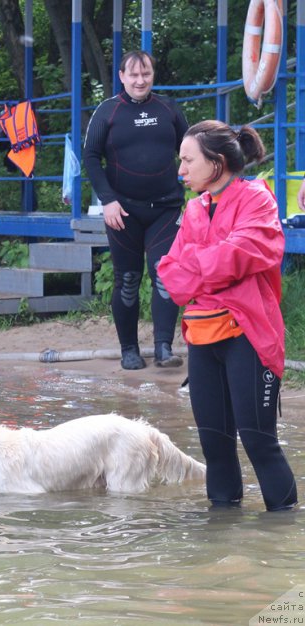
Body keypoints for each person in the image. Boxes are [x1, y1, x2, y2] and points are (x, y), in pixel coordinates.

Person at [157, 121, 297, 512]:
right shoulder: (194, 208)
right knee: (214, 447)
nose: (181, 170)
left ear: (216, 162)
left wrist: (198, 265)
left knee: (260, 443)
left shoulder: (257, 199)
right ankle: (219, 537)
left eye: (188, 161)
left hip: (248, 335)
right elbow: (169, 274)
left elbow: (246, 252)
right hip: (203, 337)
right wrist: (213, 265)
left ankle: (282, 534)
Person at [83, 50, 188, 370]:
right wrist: (107, 200)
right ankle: (129, 349)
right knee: (128, 278)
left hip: (165, 209)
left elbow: (191, 150)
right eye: (134, 75)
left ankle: (164, 348)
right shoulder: (108, 111)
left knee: (165, 274)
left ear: (153, 75)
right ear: (122, 76)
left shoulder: (168, 109)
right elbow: (91, 157)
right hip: (123, 211)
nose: (140, 81)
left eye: (146, 74)